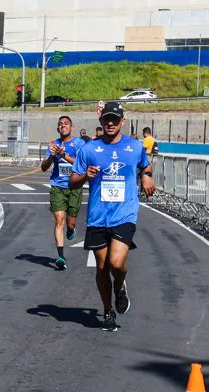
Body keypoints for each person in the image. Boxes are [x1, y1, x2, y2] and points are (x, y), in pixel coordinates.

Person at [70, 102, 155, 332]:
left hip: (125, 213)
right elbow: (73, 182)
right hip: (98, 215)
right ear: (101, 121)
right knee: (101, 266)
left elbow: (145, 167)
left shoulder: (134, 147)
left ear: (122, 122)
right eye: (107, 119)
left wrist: (146, 177)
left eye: (115, 119)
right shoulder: (89, 150)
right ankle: (108, 310)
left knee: (116, 262)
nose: (110, 123)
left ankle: (120, 286)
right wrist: (85, 176)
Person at [41, 116, 85, 270]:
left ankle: (72, 229)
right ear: (58, 128)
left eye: (66, 124)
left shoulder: (79, 143)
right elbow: (44, 167)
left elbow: (82, 164)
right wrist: (53, 155)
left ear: (71, 127)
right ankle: (60, 256)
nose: (63, 126)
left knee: (70, 222)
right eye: (60, 124)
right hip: (57, 186)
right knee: (59, 219)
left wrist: (63, 155)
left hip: (74, 186)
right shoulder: (54, 144)